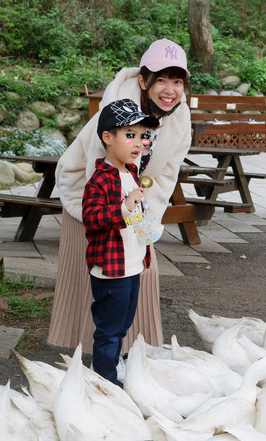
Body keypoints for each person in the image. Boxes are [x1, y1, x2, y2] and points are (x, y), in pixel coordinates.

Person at [48, 39, 191, 366]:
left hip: (130, 197)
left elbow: (164, 176)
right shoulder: (118, 109)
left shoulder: (180, 120)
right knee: (99, 274)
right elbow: (99, 174)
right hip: (88, 190)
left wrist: (147, 220)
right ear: (144, 81)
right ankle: (99, 359)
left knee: (141, 267)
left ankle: (128, 352)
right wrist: (124, 216)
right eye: (161, 80)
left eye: (177, 81)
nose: (170, 90)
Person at [82, 99, 160, 385]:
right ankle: (103, 382)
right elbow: (91, 218)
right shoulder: (100, 179)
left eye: (142, 136)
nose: (138, 143)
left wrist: (145, 224)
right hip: (111, 270)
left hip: (132, 264)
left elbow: (135, 214)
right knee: (109, 329)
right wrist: (125, 207)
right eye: (130, 135)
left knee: (123, 325)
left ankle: (109, 368)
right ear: (107, 137)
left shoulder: (130, 173)